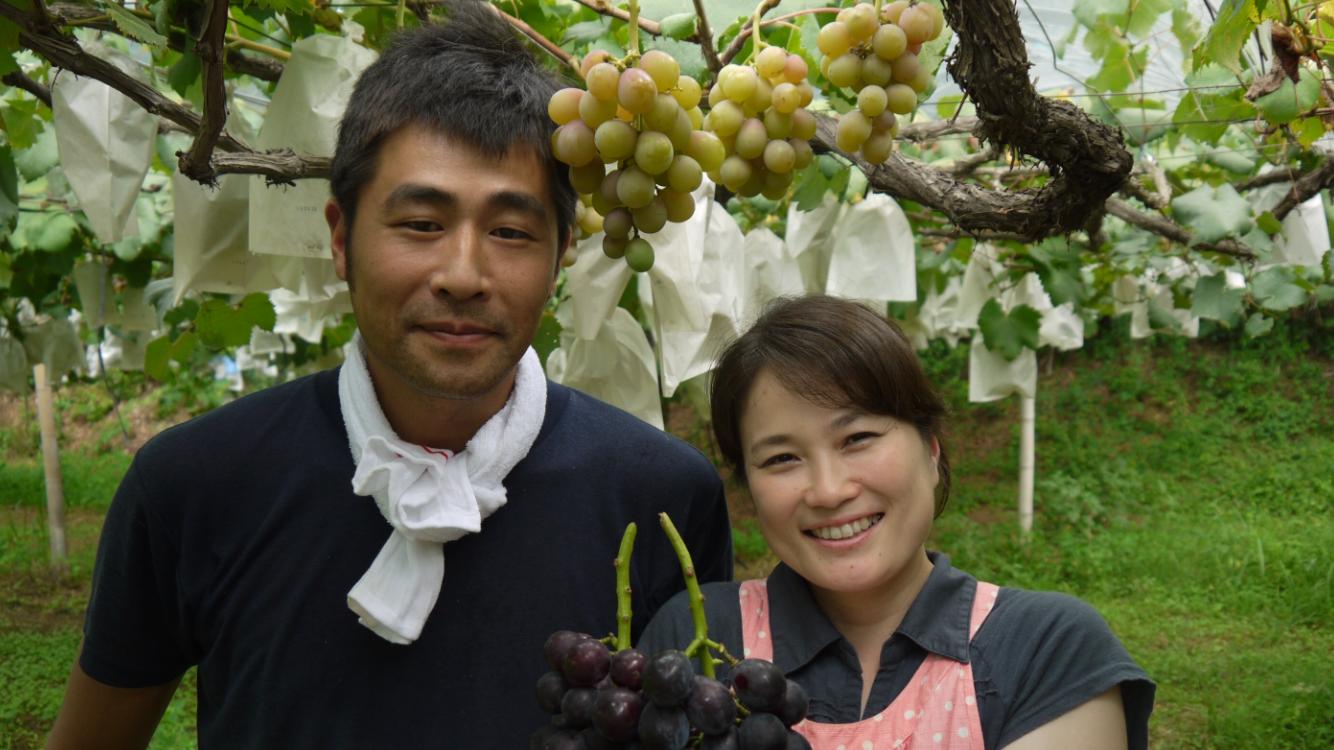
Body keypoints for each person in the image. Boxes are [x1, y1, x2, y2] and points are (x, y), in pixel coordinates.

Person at [45, 3, 732, 747]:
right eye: (421, 224)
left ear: (563, 251)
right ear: (341, 240)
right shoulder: (190, 487)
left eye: (510, 231)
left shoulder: (663, 500)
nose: (463, 275)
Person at [640, 295, 1154, 749]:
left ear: (931, 450)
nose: (829, 490)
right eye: (781, 459)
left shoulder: (1046, 649)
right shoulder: (695, 635)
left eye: (857, 438)